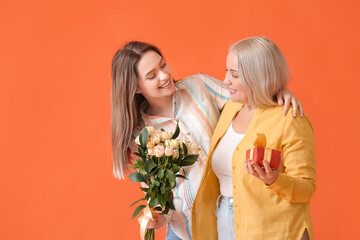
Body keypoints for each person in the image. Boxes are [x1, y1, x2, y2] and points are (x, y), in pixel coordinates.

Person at [111, 41, 304, 240]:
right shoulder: (140, 136)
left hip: (232, 220)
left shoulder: (199, 86)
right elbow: (157, 191)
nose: (164, 75)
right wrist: (159, 218)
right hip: (186, 231)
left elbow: (248, 99)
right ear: (134, 87)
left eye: (163, 65)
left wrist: (278, 92)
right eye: (151, 76)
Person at [191, 37, 316, 240]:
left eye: (234, 75)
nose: (225, 81)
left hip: (276, 231)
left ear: (259, 77)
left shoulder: (290, 120)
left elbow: (306, 187)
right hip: (225, 220)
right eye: (226, 71)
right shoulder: (231, 107)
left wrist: (275, 180)